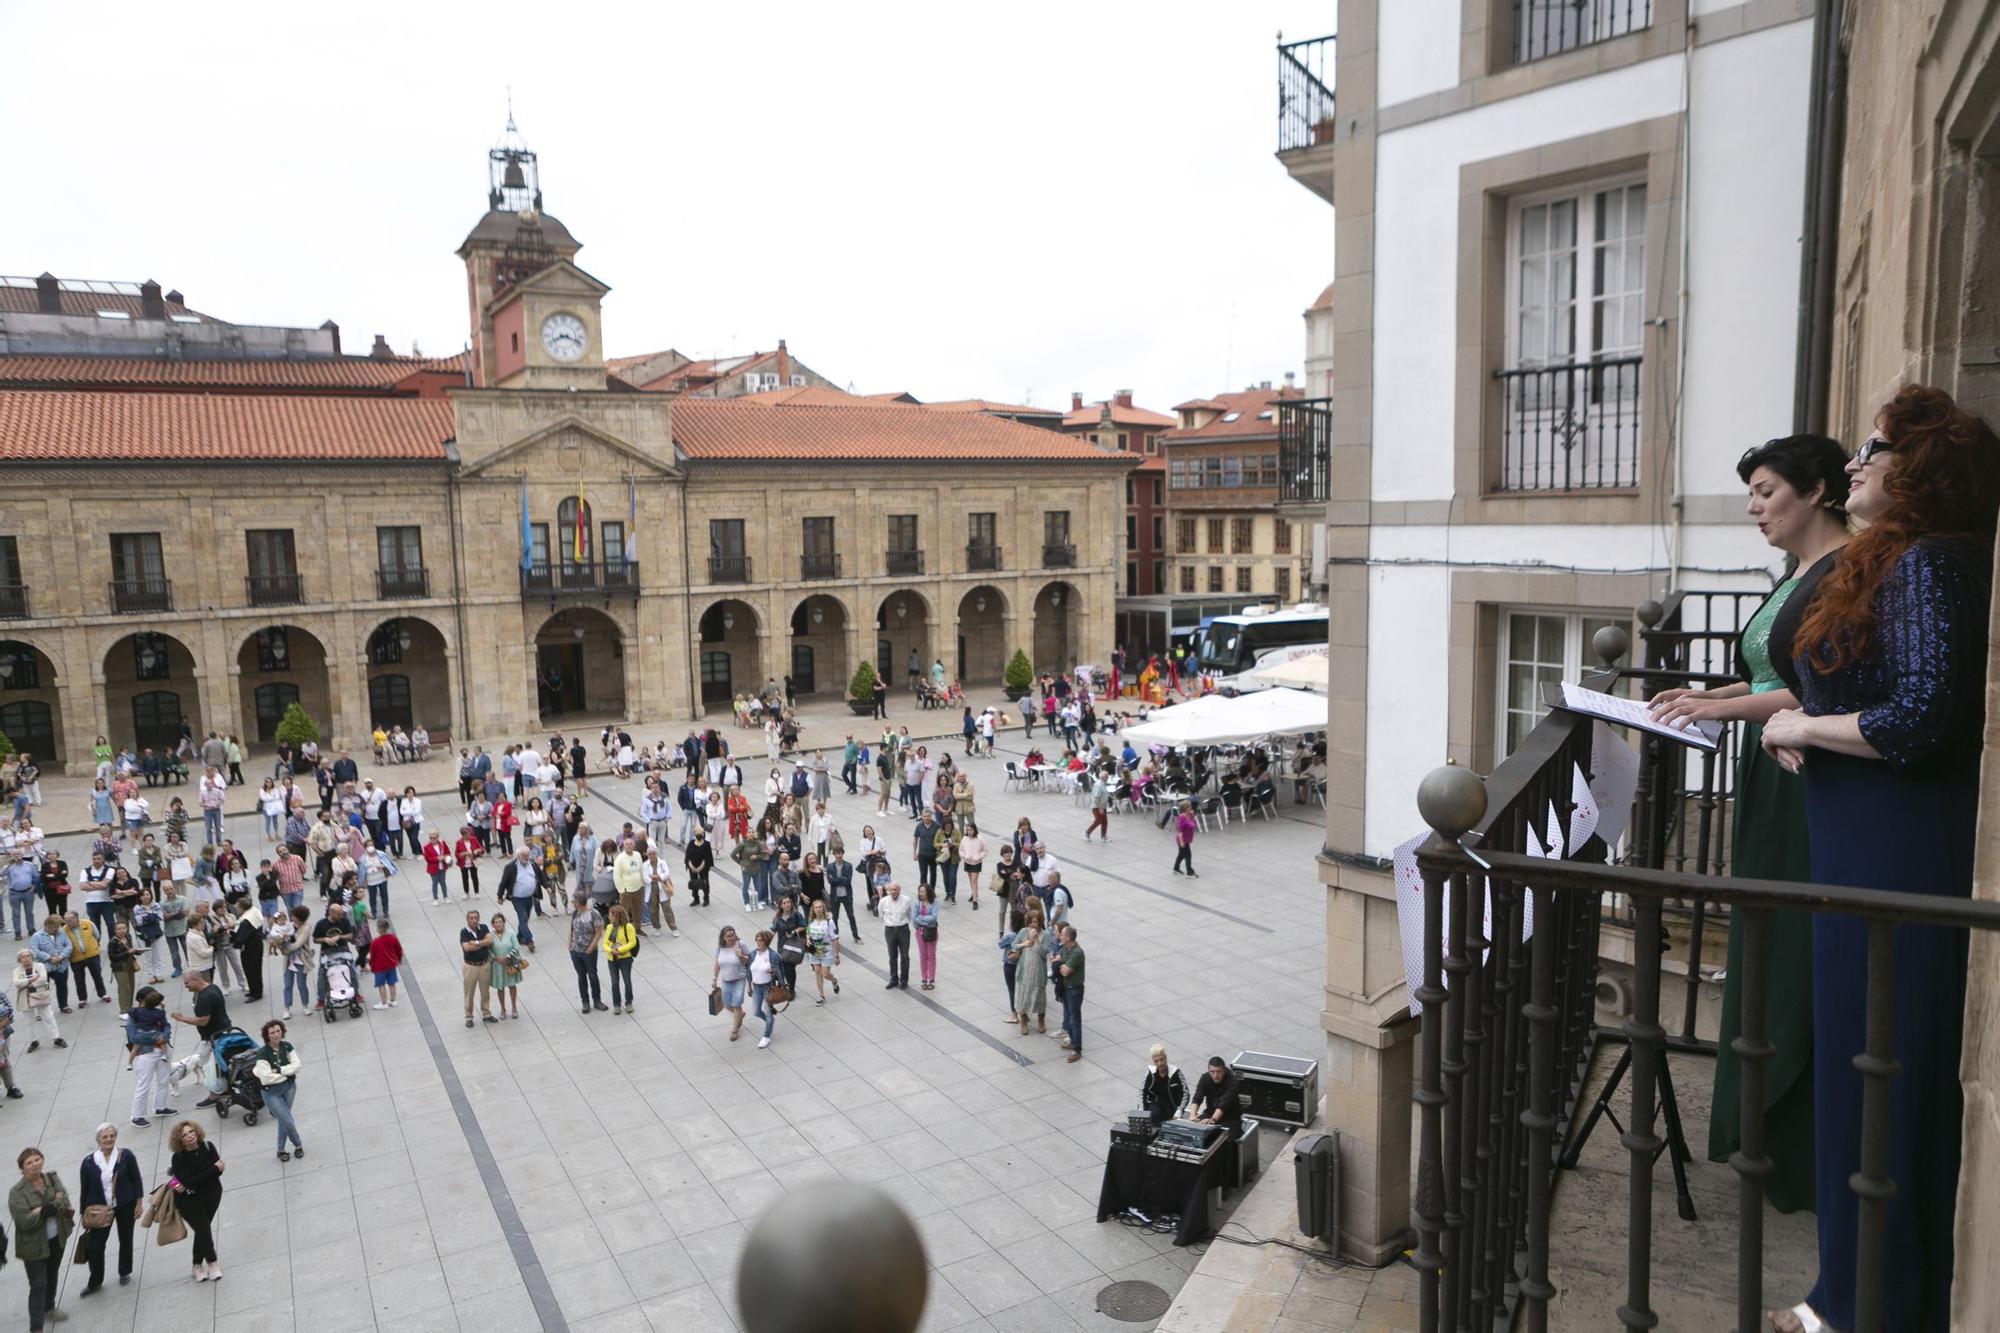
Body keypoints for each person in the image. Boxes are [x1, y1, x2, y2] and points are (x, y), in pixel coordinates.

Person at [1758, 387, 2000, 1333]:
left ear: (1923, 470)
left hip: (1897, 845)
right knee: (1860, 1069)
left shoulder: (1933, 561)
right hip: (1858, 834)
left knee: (1886, 1069)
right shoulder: (1896, 561)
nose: (1855, 460)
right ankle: (1845, 1292)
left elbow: (1922, 718)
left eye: (1876, 448)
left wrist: (1808, 721)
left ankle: (1876, 1307)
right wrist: (1805, 727)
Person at [1650, 432, 1852, 1215]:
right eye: (1752, 493)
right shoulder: (1799, 571)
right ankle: (1755, 1129)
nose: (1754, 507)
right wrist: (1711, 693)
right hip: (1769, 766)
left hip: (1801, 773)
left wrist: (1716, 706)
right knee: (1759, 934)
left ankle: (1788, 1140)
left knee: (1789, 942)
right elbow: (1773, 668)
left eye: (1767, 490)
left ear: (1819, 491)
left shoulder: (1841, 572)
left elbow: (1813, 688)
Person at [10, 1145, 74, 1328]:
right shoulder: (17, 1192)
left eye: (37, 1159)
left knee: (52, 1274)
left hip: (57, 1238)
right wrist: (52, 1206)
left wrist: (41, 1211)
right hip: (33, 1245)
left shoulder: (52, 1178)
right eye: (29, 1162)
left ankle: (49, 1308)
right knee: (38, 1284)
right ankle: (36, 1327)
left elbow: (64, 1201)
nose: (34, 1164)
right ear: (22, 1168)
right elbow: (24, 1221)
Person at [78, 1123, 144, 1294]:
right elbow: (84, 1189)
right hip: (99, 1210)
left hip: (125, 1205)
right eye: (104, 1137)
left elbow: (136, 1179)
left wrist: (139, 1203)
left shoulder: (126, 1156)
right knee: (96, 1247)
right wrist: (83, 1213)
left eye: (111, 1136)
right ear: (98, 1140)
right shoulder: (88, 1162)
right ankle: (95, 1281)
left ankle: (124, 1271)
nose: (108, 1139)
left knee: (126, 1238)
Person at [166, 1119, 225, 1281]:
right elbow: (189, 1181)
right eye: (184, 1135)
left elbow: (218, 1172)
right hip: (189, 1200)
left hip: (212, 1195)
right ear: (179, 1140)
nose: (189, 1136)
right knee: (204, 1229)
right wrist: (212, 1170)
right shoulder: (178, 1158)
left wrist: (211, 1172)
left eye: (191, 1132)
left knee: (202, 1230)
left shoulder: (208, 1146)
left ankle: (196, 1265)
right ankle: (212, 1263)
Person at [250, 1020, 305, 1161]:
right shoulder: (262, 1054)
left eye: (278, 1031)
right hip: (271, 1093)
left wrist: (279, 1071)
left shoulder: (287, 1046)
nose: (276, 1035)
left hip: (289, 1088)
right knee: (288, 1121)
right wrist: (287, 1073)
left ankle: (280, 1149)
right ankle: (298, 1144)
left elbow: (297, 1065)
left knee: (283, 1119)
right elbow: (266, 1079)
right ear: (267, 1035)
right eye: (272, 1032)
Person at [126, 985, 174, 1124]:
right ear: (142, 999)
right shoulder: (134, 1016)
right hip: (145, 1054)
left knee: (163, 1080)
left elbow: (166, 1025)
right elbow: (134, 1037)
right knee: (143, 1085)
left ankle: (160, 1107)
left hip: (162, 1050)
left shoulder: (157, 1012)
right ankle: (137, 1116)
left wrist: (164, 1035)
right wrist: (156, 1038)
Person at [1008, 900, 1049, 1034]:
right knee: (1024, 996)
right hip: (1025, 971)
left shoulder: (1045, 935)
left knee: (1039, 997)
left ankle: (1041, 1019)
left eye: (1036, 922)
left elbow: (1044, 953)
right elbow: (1014, 945)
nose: (1033, 925)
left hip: (1038, 973)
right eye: (1031, 922)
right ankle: (1023, 1020)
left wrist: (1035, 940)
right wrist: (1023, 944)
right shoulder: (1023, 932)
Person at [11, 949, 61, 1051]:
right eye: (23, 957)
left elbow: (43, 979)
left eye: (28, 956)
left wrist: (26, 984)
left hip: (40, 994)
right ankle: (34, 1041)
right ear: (19, 959)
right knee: (29, 1020)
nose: (26, 958)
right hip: (25, 998)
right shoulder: (16, 971)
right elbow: (16, 983)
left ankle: (56, 1038)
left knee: (48, 1016)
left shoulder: (40, 966)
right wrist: (32, 979)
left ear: (32, 957)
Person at [569, 893, 606, 1015]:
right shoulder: (575, 913)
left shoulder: (594, 914)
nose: (573, 902)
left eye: (574, 901)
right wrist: (569, 944)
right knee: (581, 976)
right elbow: (571, 929)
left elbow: (598, 932)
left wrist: (591, 948)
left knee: (592, 975)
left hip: (588, 952)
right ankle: (585, 1002)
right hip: (576, 951)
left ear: (580, 902)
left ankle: (597, 1000)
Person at [713, 925, 751, 1041]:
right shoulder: (720, 948)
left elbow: (749, 960)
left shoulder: (740, 944)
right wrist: (714, 978)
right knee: (725, 1003)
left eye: (733, 935)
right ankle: (740, 1014)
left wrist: (740, 956)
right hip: (726, 979)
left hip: (739, 978)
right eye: (728, 936)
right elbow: (717, 963)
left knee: (736, 1004)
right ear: (723, 938)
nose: (731, 938)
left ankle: (734, 1030)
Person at [498, 847, 539, 952]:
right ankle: (529, 940)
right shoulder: (511, 867)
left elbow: (540, 875)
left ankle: (519, 937)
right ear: (518, 856)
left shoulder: (533, 865)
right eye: (524, 856)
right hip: (517, 898)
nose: (526, 858)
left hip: (529, 897)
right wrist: (500, 895)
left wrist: (547, 886)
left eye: (527, 855)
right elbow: (503, 882)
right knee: (523, 917)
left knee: (525, 919)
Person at [747, 928, 782, 1050]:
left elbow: (779, 972)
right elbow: (749, 971)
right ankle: (770, 1020)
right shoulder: (752, 954)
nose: (758, 943)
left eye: (760, 940)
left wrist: (774, 973)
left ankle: (766, 1036)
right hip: (756, 987)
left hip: (768, 987)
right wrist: (749, 985)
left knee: (767, 1012)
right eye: (757, 940)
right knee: (756, 1012)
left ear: (766, 941)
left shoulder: (773, 955)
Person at [1190, 1056, 1244, 1133]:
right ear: (1208, 1071)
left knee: (1226, 1138)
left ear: (1224, 1070)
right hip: (1209, 1113)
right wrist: (1193, 1116)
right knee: (1195, 1131)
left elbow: (1224, 1103)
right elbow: (1197, 1097)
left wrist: (1212, 1120)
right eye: (1212, 1072)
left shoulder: (1233, 1081)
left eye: (1219, 1071)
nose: (1215, 1075)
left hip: (1230, 1118)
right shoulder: (1205, 1078)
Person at [459, 910, 494, 1027]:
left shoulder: (483, 928)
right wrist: (482, 944)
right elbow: (467, 948)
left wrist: (475, 943)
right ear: (467, 920)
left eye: (476, 918)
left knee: (485, 991)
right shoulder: (464, 932)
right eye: (471, 918)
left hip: (484, 965)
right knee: (469, 993)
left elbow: (490, 940)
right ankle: (468, 1017)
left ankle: (486, 1013)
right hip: (471, 966)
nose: (474, 920)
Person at [1055, 924, 1085, 1063]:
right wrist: (1061, 964)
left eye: (1062, 935)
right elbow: (1056, 960)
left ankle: (1077, 1049)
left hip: (1074, 989)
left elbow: (1065, 971)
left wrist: (1060, 965)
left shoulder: (1077, 952)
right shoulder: (1065, 948)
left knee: (1075, 1019)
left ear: (1068, 938)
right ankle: (1072, 1041)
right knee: (1069, 1014)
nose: (1060, 937)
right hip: (1066, 988)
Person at [603, 904, 638, 1015]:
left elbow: (632, 942)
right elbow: (604, 943)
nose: (609, 917)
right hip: (612, 958)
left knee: (627, 981)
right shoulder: (609, 927)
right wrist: (610, 950)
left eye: (611, 915)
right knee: (614, 982)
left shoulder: (628, 927)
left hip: (625, 958)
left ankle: (628, 1002)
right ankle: (616, 1004)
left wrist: (620, 949)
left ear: (617, 916)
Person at [1140, 1044, 1189, 1123]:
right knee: (1154, 1114)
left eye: (1162, 1060)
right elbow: (1142, 1092)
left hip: (1172, 1106)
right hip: (1155, 1105)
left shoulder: (1176, 1073)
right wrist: (1141, 1112)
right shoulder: (1150, 1073)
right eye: (1156, 1061)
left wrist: (1179, 1110)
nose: (1160, 1063)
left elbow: (1185, 1093)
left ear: (1166, 1058)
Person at [489, 912, 524, 1019]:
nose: (498, 924)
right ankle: (503, 1009)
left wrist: (508, 956)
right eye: (496, 922)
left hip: (509, 963)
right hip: (497, 965)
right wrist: (494, 957)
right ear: (493, 924)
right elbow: (488, 949)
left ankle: (514, 1007)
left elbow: (516, 947)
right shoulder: (490, 935)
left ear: (504, 923)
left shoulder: (511, 933)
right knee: (500, 987)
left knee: (512, 985)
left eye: (500, 922)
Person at [878, 880, 912, 990]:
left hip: (903, 929)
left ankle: (904, 980)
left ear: (899, 890)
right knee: (892, 956)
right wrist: (889, 924)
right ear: (888, 890)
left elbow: (909, 914)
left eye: (895, 889)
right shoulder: (883, 901)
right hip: (890, 930)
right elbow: (881, 915)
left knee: (905, 956)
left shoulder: (906, 900)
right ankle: (893, 979)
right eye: (891, 889)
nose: (893, 892)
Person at [368, 919, 402, 1008]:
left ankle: (384, 1003)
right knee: (392, 982)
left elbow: (373, 956)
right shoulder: (393, 938)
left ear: (378, 929)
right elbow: (398, 950)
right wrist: (398, 959)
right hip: (391, 964)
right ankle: (393, 1000)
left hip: (379, 967)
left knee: (381, 984)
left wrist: (372, 965)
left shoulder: (375, 942)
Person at [912, 885, 940, 990]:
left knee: (931, 956)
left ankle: (931, 978)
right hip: (920, 932)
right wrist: (924, 921)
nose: (921, 894)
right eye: (920, 891)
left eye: (923, 892)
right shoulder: (916, 903)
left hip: (931, 932)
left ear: (928, 892)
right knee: (923, 956)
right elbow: (914, 918)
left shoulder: (934, 903)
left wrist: (921, 918)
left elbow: (933, 918)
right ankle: (924, 978)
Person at [1170, 800, 1198, 877]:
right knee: (1188, 855)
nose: (1191, 808)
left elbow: (1192, 824)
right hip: (1182, 840)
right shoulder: (1181, 817)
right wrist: (1182, 842)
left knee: (1181, 855)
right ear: (1186, 808)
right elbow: (1180, 830)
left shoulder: (1188, 815)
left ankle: (1176, 869)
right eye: (1189, 807)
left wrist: (1192, 816)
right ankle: (1189, 872)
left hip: (1187, 839)